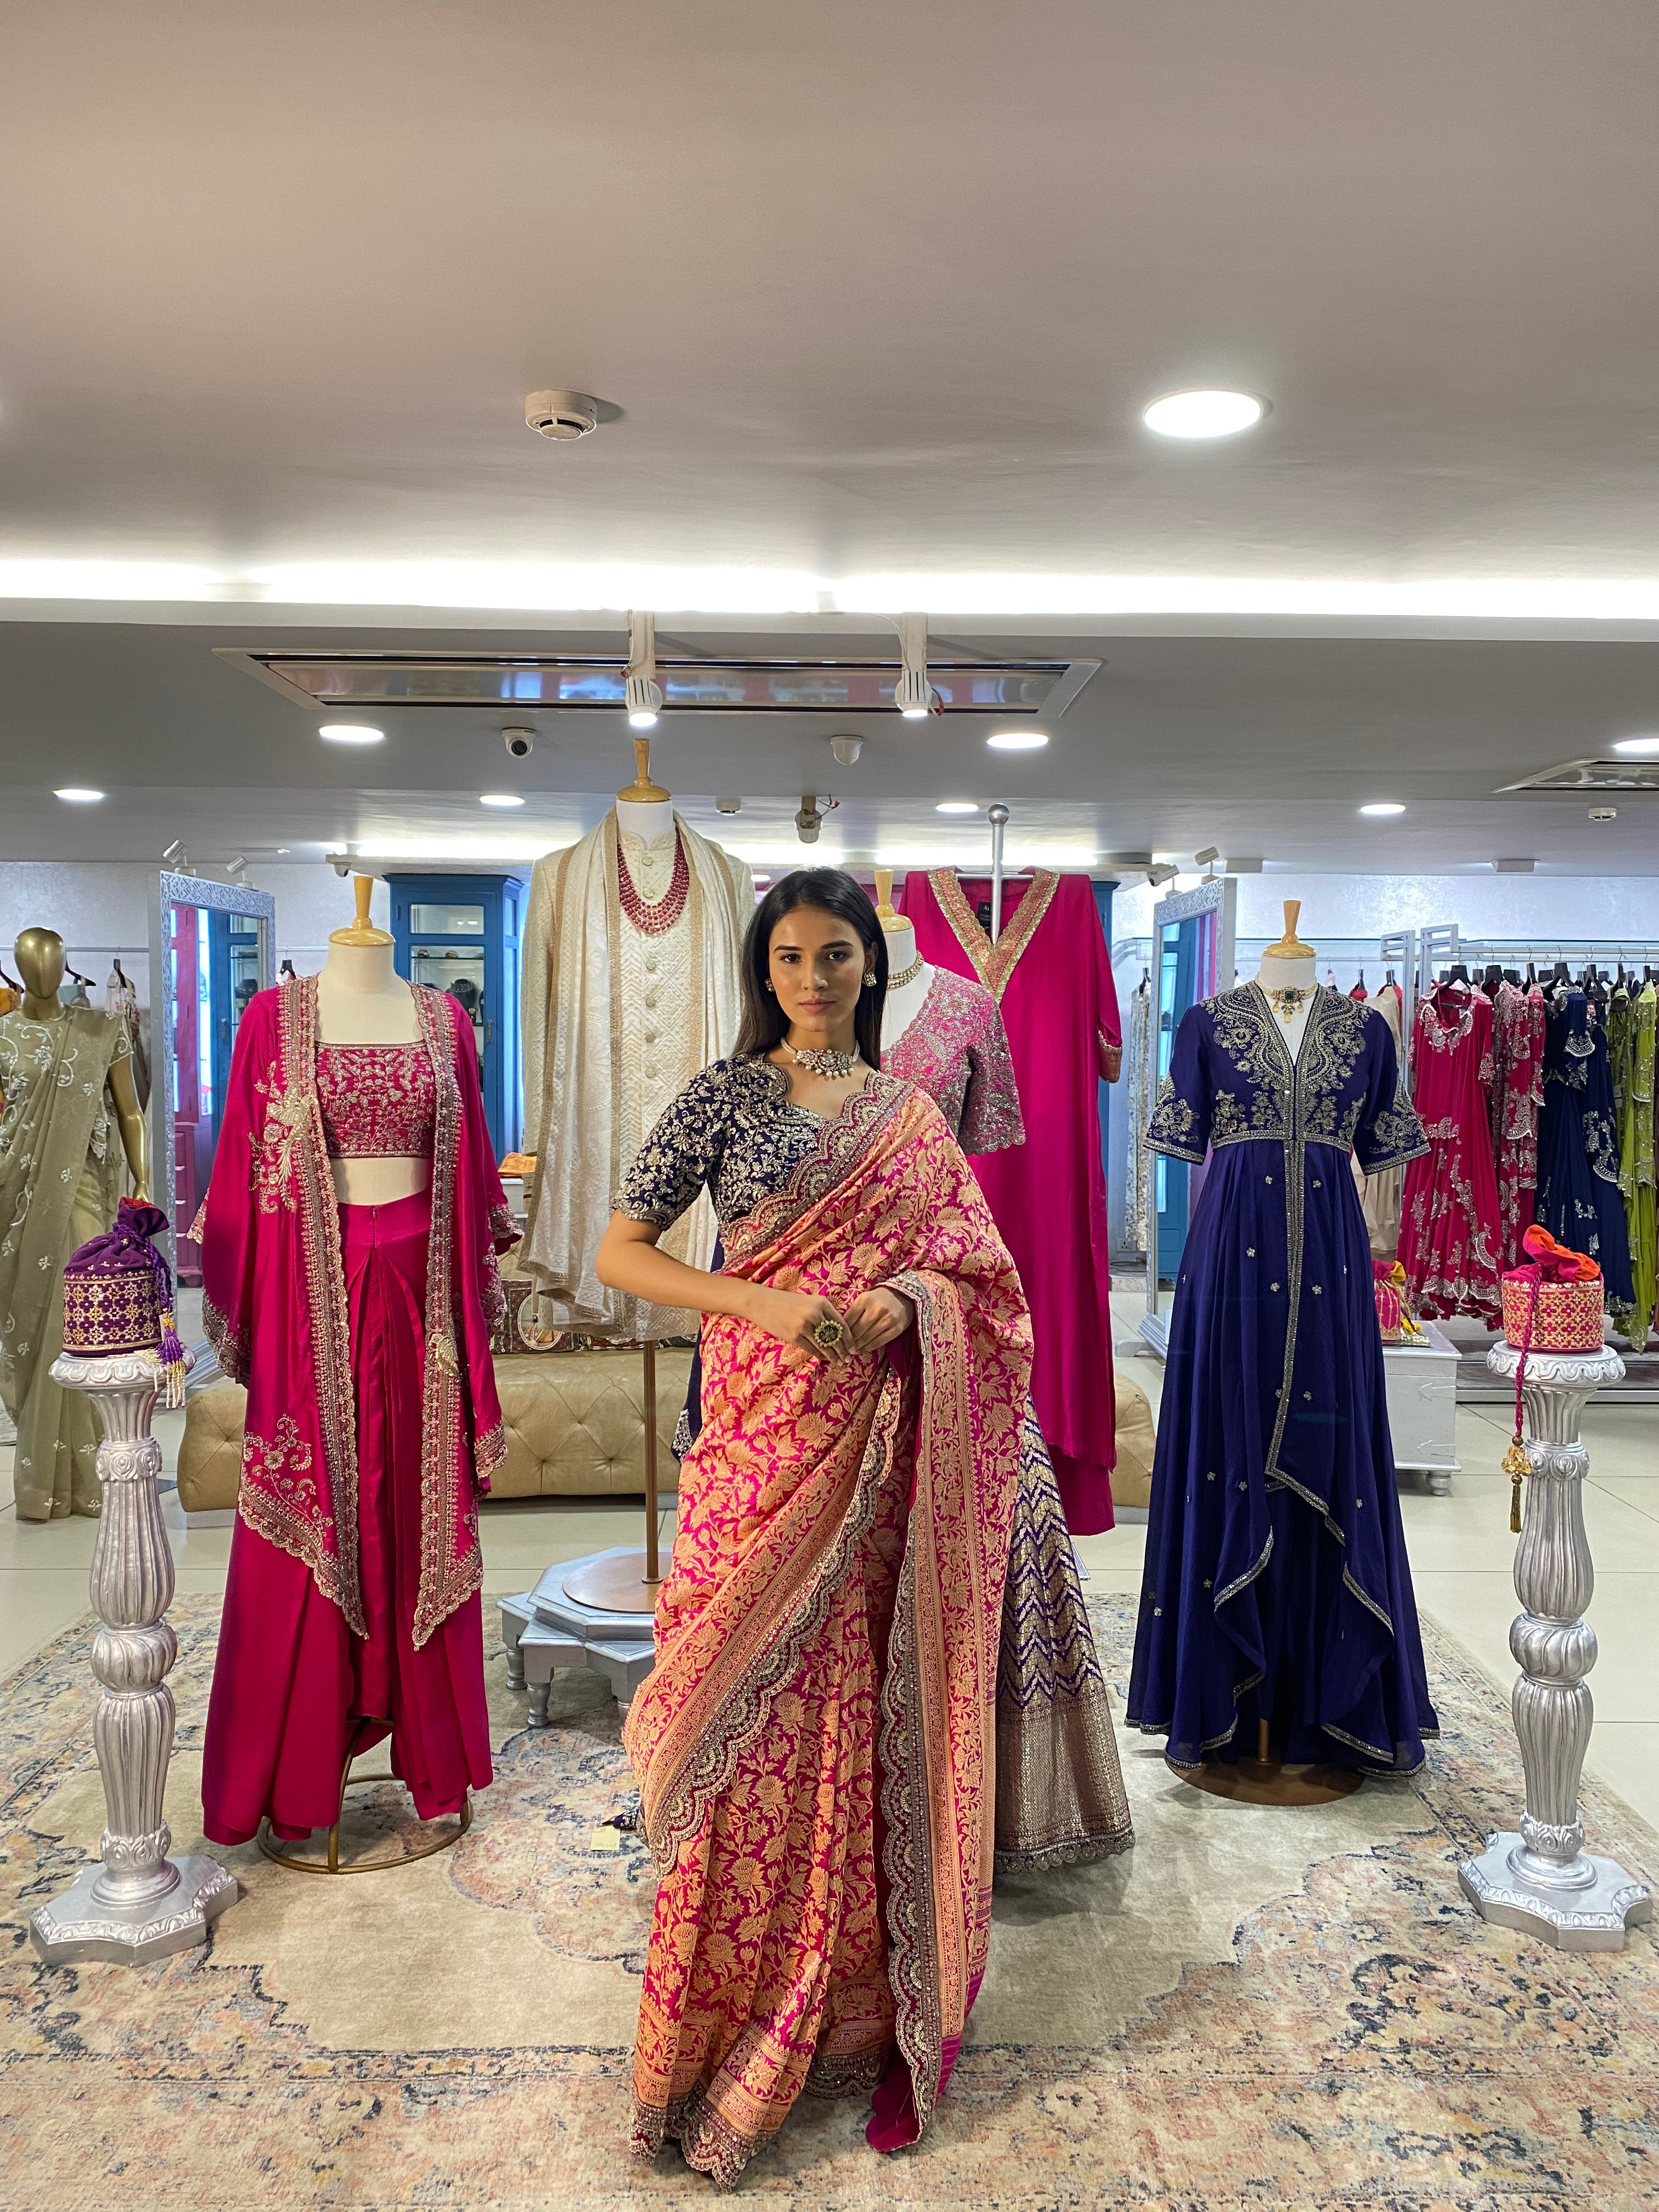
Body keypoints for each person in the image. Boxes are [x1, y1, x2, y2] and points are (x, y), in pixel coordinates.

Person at [596, 868, 1032, 2185]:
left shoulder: (909, 1113)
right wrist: (761, 1306)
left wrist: (910, 1303)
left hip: (880, 1449)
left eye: (834, 955)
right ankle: (712, 2024)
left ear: (869, 965)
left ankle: (839, 2004)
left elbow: (982, 1275)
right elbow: (622, 1251)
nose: (811, 978)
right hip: (754, 1435)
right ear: (760, 968)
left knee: (845, 1709)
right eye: (788, 956)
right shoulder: (724, 1099)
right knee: (729, 1701)